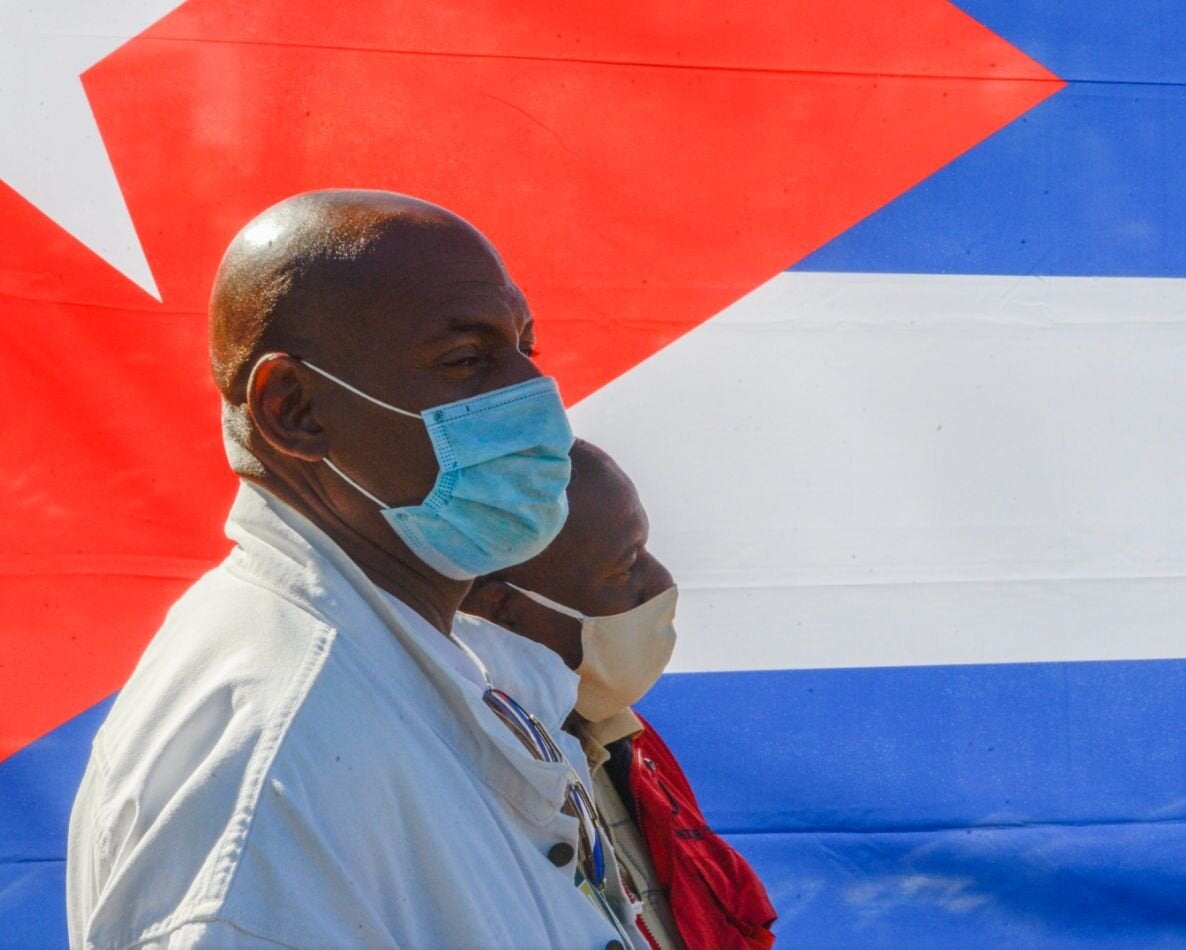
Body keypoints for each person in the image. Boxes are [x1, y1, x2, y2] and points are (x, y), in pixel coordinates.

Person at [67, 190, 645, 949]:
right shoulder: (272, 750)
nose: (534, 399)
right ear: (296, 409)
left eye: (524, 351)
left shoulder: (431, 655)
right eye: (467, 361)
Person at [464, 440, 777, 950]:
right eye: (625, 567)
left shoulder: (625, 739)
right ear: (501, 610)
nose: (660, 583)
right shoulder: (461, 782)